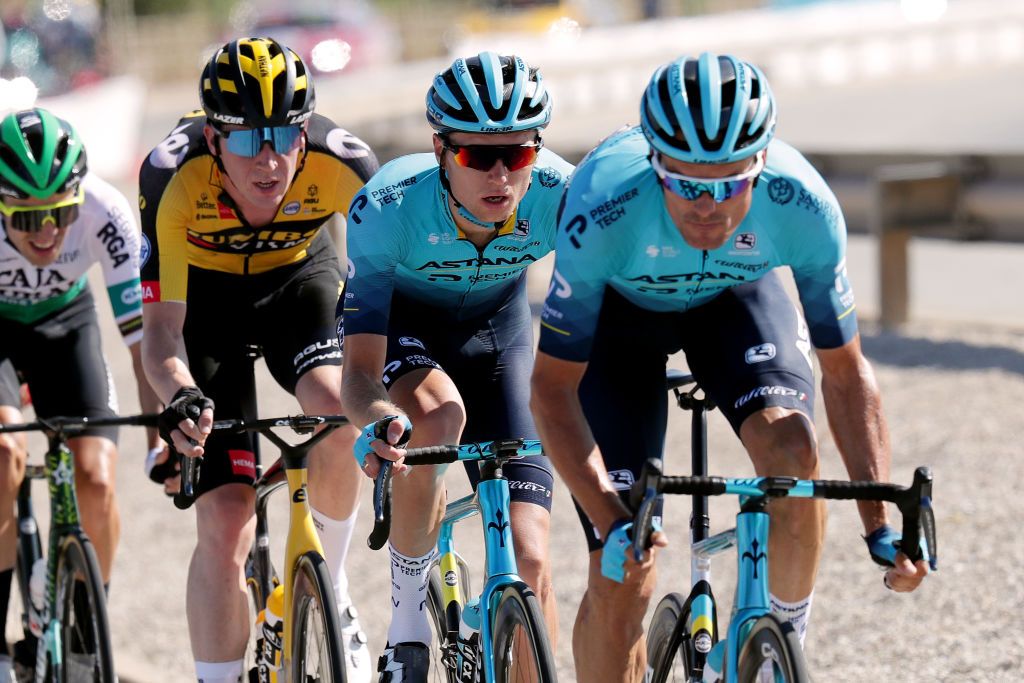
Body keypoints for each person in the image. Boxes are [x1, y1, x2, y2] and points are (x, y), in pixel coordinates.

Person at [530, 52, 931, 683]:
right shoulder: (601, 208)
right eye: (685, 184)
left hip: (734, 301)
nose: (707, 207)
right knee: (623, 574)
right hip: (620, 321)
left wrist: (880, 522)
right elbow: (551, 392)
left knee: (793, 449)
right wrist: (611, 519)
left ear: (762, 166)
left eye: (729, 185)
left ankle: (779, 645)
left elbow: (847, 374)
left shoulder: (803, 204)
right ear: (655, 166)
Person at [138, 37, 378, 683]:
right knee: (225, 521)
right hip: (206, 307)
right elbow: (160, 335)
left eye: (284, 137)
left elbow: (392, 285)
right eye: (248, 141)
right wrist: (181, 394)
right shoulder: (171, 174)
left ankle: (331, 583)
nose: (269, 159)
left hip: (298, 285)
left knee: (336, 406)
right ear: (215, 141)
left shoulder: (344, 161)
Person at [341, 51, 573, 680]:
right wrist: (377, 418)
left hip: (501, 336)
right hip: (406, 332)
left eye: (518, 154)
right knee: (441, 415)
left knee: (530, 561)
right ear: (440, 149)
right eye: (477, 156)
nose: (500, 174)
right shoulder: (388, 205)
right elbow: (359, 371)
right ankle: (409, 618)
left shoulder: (562, 196)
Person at [0, 107, 162, 680]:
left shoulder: (105, 211)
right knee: (5, 455)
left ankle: (85, 638)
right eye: (29, 217)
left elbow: (142, 338)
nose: (48, 231)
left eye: (61, 213)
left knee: (95, 475)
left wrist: (156, 435)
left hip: (65, 323)